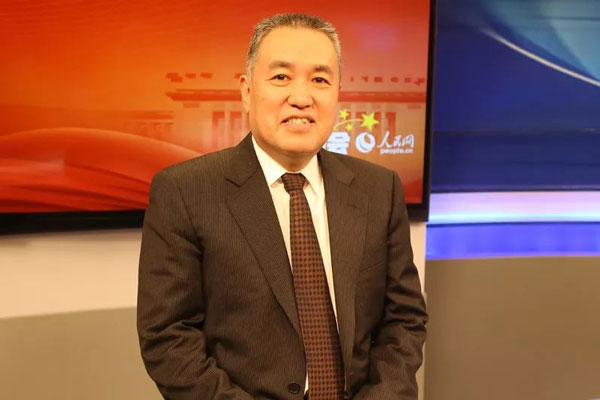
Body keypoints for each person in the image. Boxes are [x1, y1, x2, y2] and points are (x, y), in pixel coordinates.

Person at [137, 13, 427, 400]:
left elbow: (404, 321)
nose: (302, 97)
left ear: (338, 94)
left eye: (320, 80)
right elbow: (167, 338)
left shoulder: (379, 189)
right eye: (281, 77)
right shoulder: (185, 191)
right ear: (246, 90)